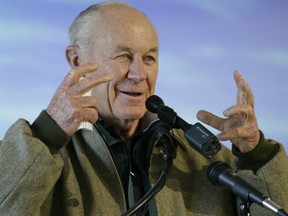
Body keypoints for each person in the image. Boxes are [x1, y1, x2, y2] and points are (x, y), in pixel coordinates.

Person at [0, 2, 287, 216]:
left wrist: (254, 154)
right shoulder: (43, 151)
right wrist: (48, 131)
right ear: (76, 60)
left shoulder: (199, 158)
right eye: (123, 55)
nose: (139, 74)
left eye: (149, 58)